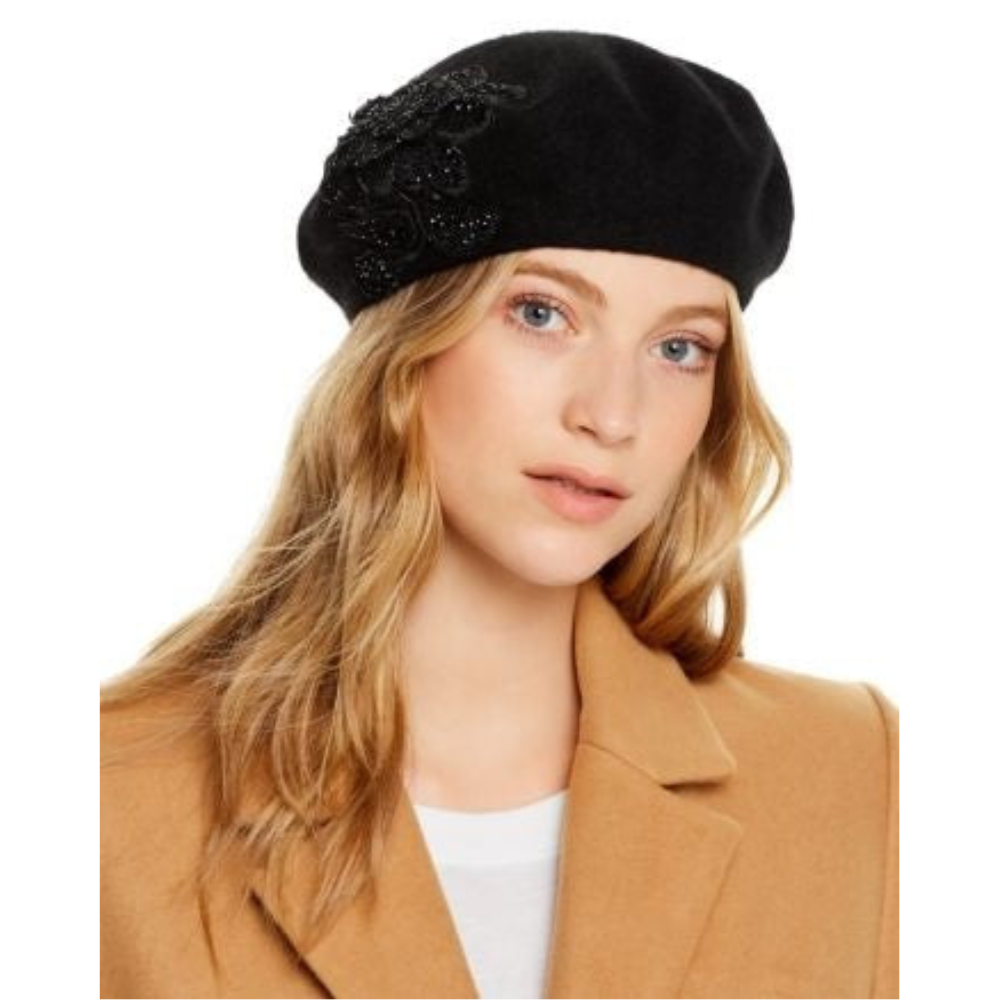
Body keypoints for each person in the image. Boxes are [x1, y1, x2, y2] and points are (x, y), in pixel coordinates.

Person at [100, 28, 899, 1000]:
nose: (613, 415)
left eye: (679, 348)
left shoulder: (853, 773)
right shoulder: (105, 797)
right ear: (403, 352)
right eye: (541, 314)